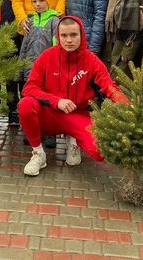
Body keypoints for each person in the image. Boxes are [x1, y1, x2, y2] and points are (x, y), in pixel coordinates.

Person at [19, 16, 128, 176]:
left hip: (77, 114)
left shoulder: (91, 60)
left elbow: (109, 85)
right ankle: (38, 154)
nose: (69, 40)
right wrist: (56, 101)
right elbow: (29, 88)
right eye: (64, 36)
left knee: (99, 152)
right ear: (58, 37)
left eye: (73, 35)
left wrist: (127, 105)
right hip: (50, 113)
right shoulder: (47, 56)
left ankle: (74, 141)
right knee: (25, 105)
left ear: (82, 35)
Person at [16, 0, 61, 127]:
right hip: (29, 68)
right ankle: (31, 127)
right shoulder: (30, 21)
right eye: (34, 1)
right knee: (29, 98)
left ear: (49, 1)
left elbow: (57, 46)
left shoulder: (55, 21)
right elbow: (24, 47)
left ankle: (48, 130)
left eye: (41, 0)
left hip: (47, 70)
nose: (38, 4)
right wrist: (20, 69)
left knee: (47, 99)